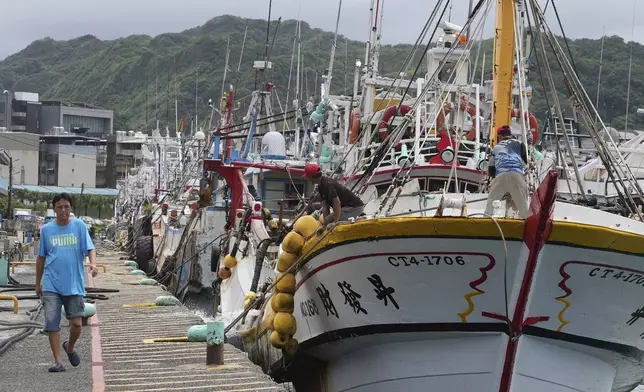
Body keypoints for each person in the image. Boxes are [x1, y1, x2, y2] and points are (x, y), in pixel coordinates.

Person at [36, 192, 97, 372]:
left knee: (77, 324)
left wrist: (93, 264)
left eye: (66, 207)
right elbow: (41, 258)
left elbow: (90, 248)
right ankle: (58, 362)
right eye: (59, 207)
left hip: (74, 284)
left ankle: (69, 347)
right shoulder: (46, 230)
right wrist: (37, 283)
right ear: (54, 209)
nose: (63, 210)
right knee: (52, 323)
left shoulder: (79, 226)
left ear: (71, 208)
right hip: (51, 285)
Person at [484, 126, 530, 218]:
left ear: (500, 137)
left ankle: (485, 223)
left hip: (501, 175)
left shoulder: (496, 148)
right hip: (517, 175)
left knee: (491, 206)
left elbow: (491, 169)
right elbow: (525, 162)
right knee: (523, 208)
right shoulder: (520, 144)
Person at [302, 163, 364, 230]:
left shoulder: (327, 184)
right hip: (344, 209)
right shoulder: (320, 187)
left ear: (311, 176)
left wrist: (335, 222)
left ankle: (356, 220)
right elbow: (325, 207)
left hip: (355, 207)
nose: (308, 179)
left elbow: (337, 203)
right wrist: (324, 226)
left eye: (308, 177)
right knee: (327, 220)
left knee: (331, 221)